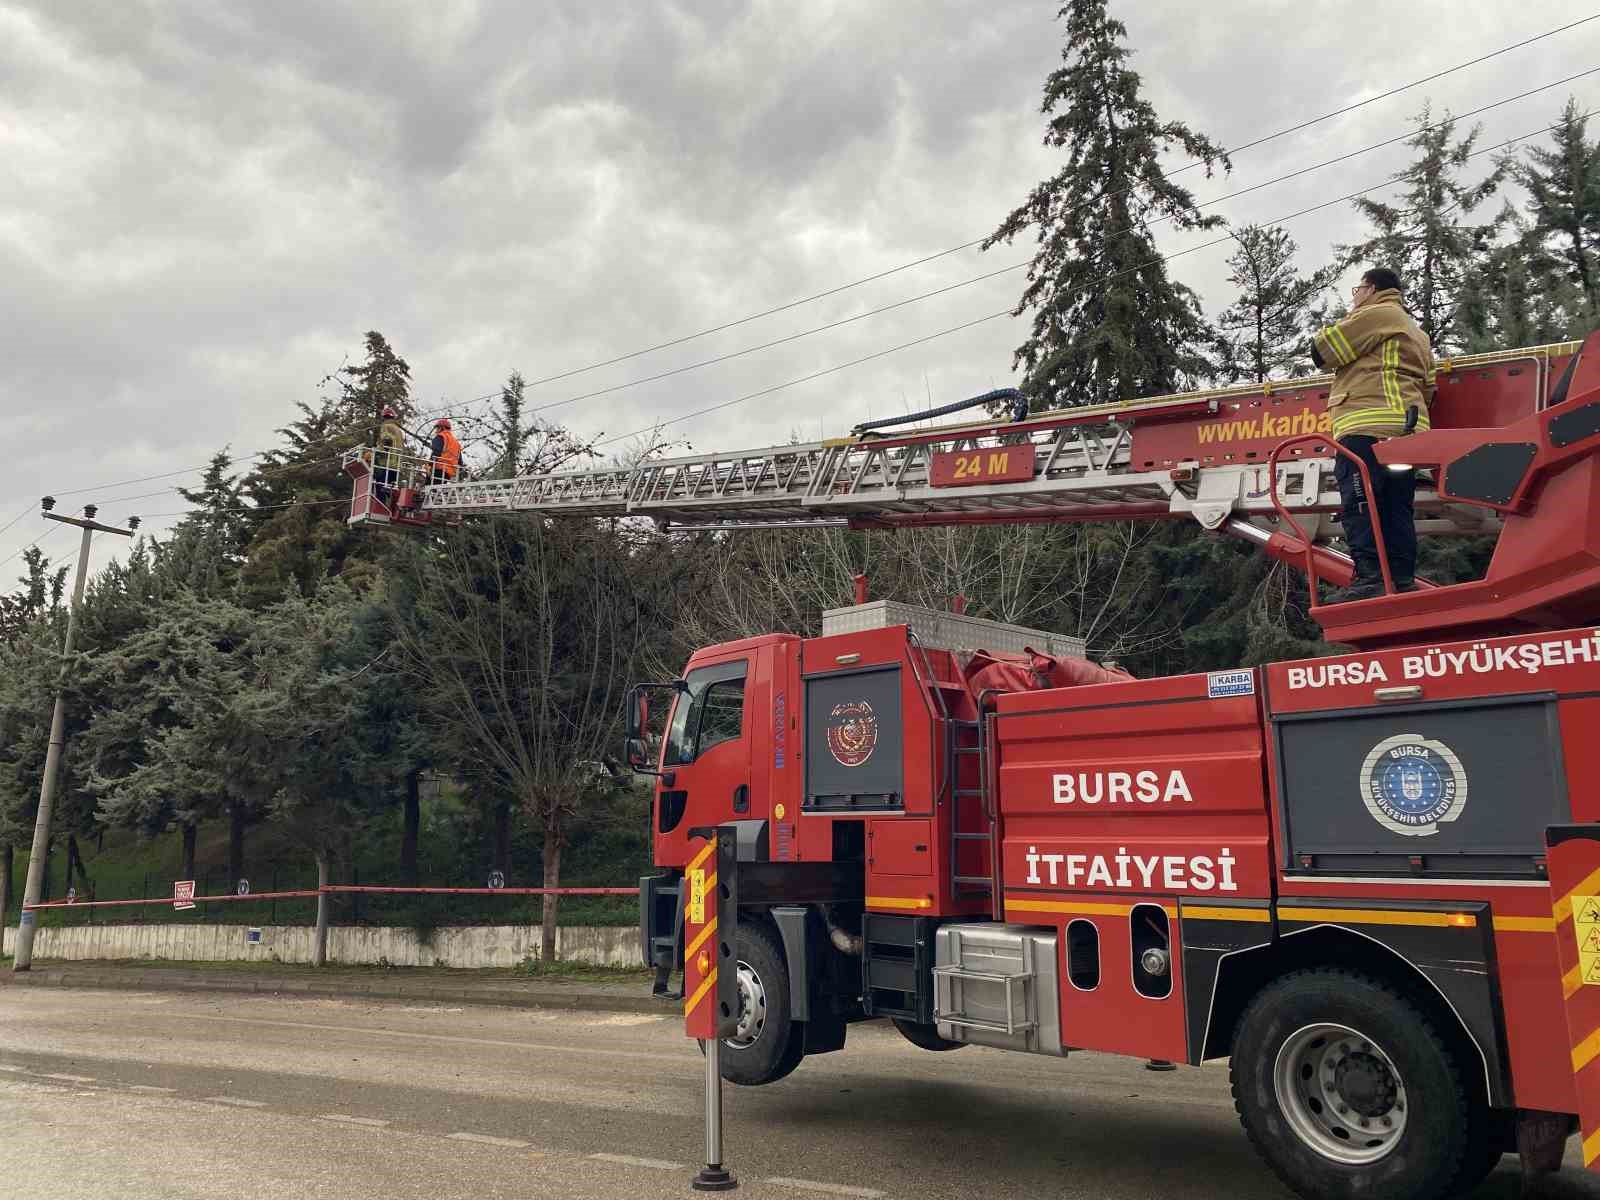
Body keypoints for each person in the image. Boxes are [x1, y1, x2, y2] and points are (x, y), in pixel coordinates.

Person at [1310, 267, 1435, 601]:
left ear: (1372, 289)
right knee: (1396, 507)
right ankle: (1401, 579)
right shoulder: (1417, 333)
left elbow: (1322, 351)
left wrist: (1347, 317)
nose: (1355, 297)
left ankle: (1370, 578)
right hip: (1407, 432)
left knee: (1361, 503)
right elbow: (1429, 388)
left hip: (1366, 426)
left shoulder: (1377, 313)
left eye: (1357, 290)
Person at [374, 406, 408, 502]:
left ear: (383, 417)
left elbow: (387, 440)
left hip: (385, 464)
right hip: (396, 465)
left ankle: (380, 506)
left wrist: (378, 453)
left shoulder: (386, 426)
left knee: (380, 486)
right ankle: (391, 506)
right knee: (391, 490)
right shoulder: (399, 430)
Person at [430, 417, 462, 486]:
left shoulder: (440, 437)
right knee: (437, 489)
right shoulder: (456, 443)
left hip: (438, 468)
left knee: (428, 488)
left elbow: (436, 452)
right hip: (449, 473)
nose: (436, 431)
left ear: (442, 428)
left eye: (437, 428)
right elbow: (460, 462)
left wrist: (429, 465)